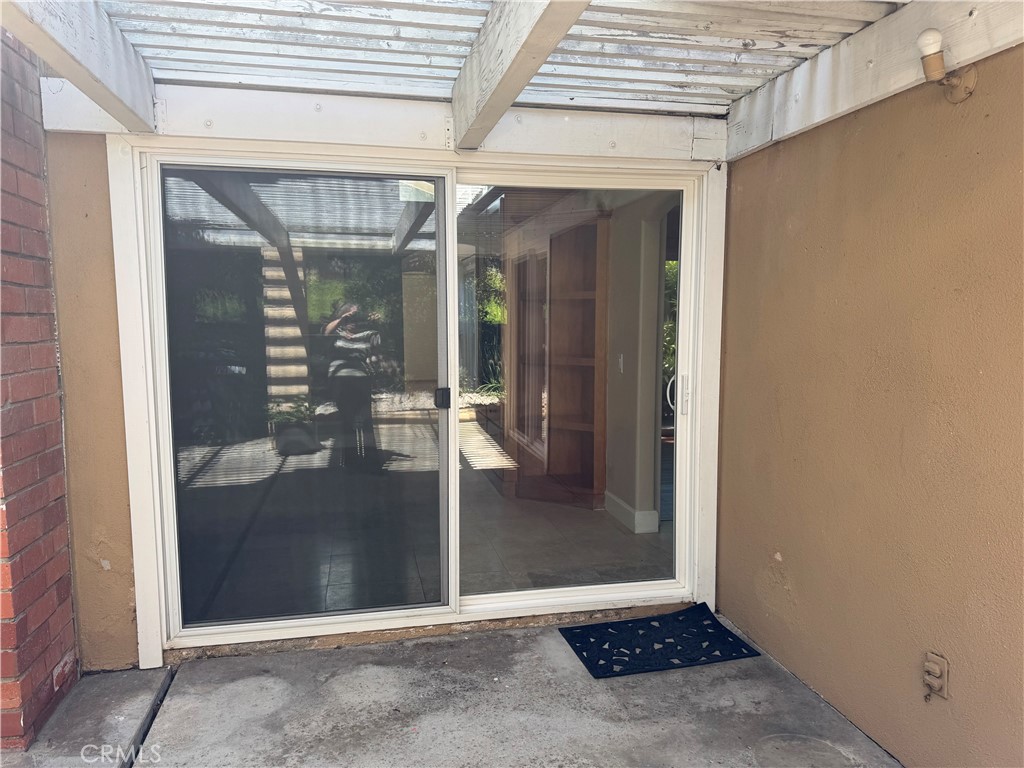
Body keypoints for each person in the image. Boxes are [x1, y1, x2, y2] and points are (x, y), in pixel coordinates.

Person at [322, 302, 382, 470]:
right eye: (350, 316)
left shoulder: (369, 334)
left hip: (361, 379)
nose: (353, 320)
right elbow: (326, 332)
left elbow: (376, 357)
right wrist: (342, 319)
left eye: (356, 316)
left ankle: (370, 461)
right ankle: (350, 461)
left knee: (365, 419)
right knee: (346, 420)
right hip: (340, 381)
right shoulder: (337, 333)